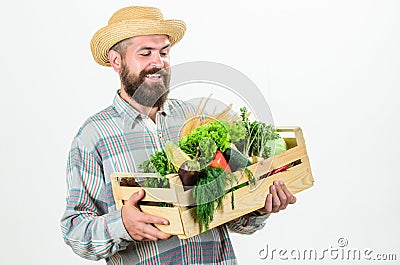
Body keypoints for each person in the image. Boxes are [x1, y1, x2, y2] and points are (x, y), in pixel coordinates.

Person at [61, 6, 296, 265]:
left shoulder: (196, 120)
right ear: (116, 61)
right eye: (145, 53)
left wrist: (260, 206)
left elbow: (233, 214)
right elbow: (75, 230)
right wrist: (122, 225)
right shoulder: (94, 137)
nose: (158, 62)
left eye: (163, 52)